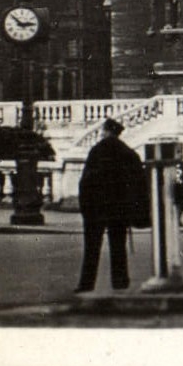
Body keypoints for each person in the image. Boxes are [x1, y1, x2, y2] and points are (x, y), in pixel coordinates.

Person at [75, 117, 147, 293]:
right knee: (118, 246)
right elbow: (139, 185)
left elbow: (85, 182)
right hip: (119, 208)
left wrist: (85, 206)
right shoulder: (129, 153)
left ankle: (87, 284)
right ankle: (120, 281)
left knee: (92, 247)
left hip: (96, 207)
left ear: (106, 131)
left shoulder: (96, 151)